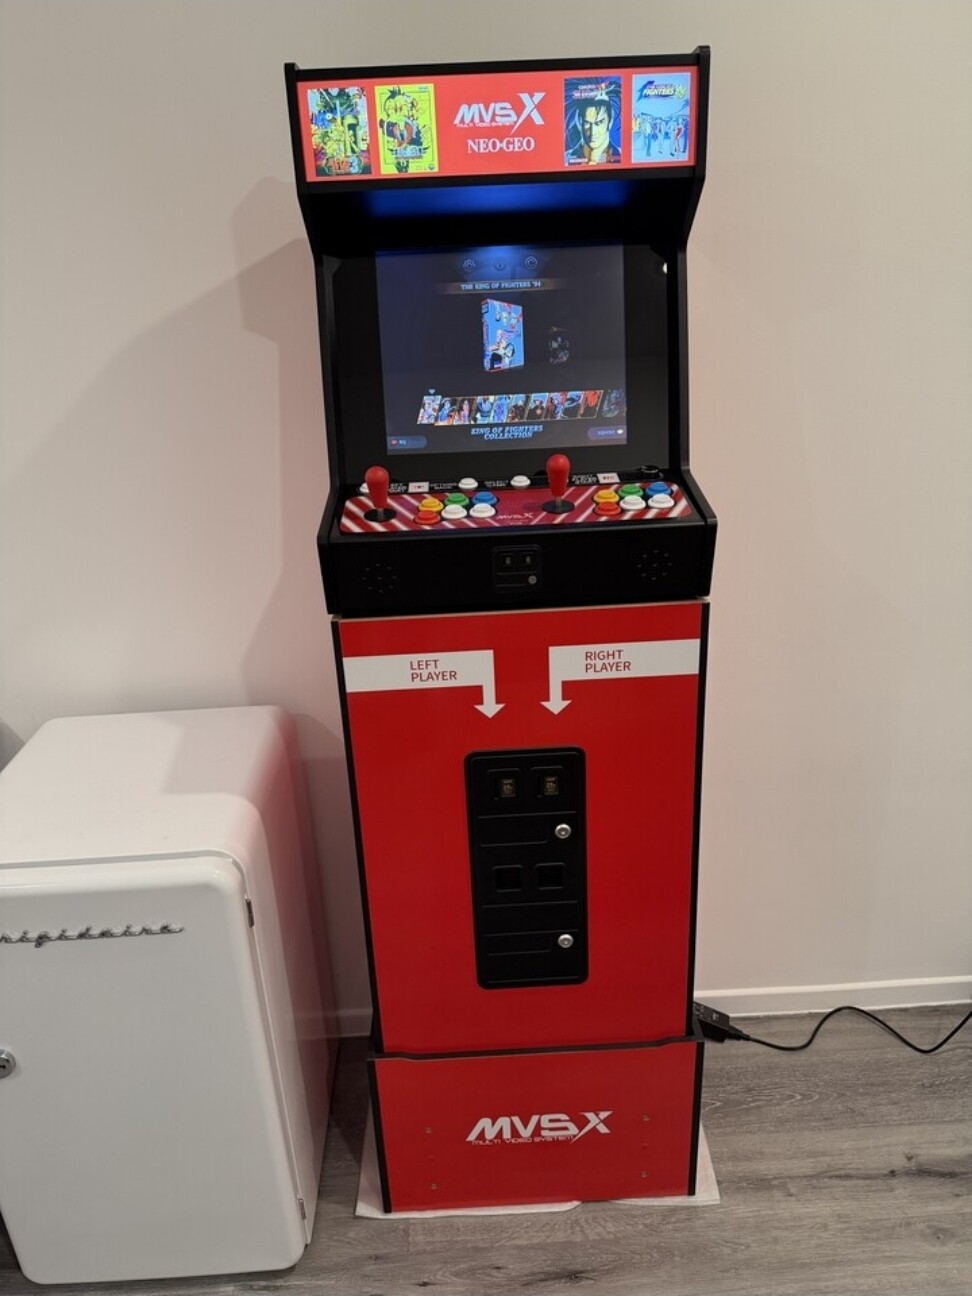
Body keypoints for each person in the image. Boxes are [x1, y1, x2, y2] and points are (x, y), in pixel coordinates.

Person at [566, 96, 621, 165]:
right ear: (579, 122)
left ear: (610, 121)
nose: (592, 132)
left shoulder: (623, 157)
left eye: (599, 123)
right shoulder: (565, 160)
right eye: (587, 123)